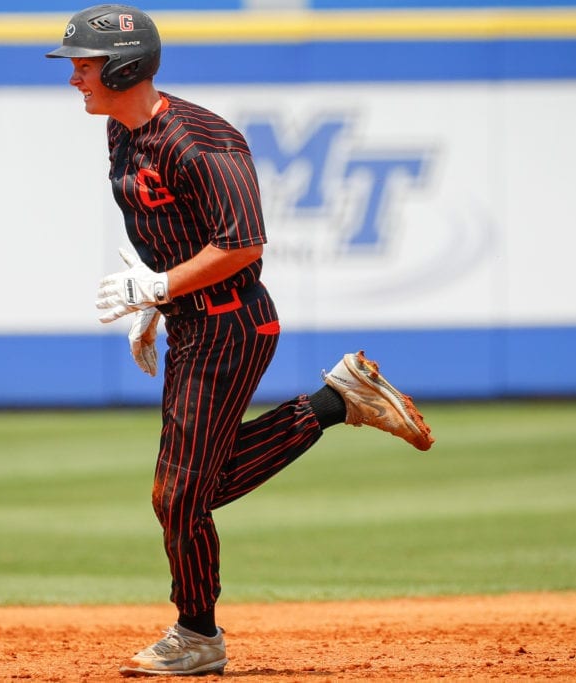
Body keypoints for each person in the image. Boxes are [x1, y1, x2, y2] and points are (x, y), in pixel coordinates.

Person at [47, 5, 434, 676]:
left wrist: (159, 288)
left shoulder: (200, 142)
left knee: (178, 495)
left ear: (124, 66)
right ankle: (336, 400)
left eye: (84, 65)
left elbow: (242, 242)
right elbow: (161, 224)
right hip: (195, 320)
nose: (75, 77)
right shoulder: (121, 131)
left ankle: (198, 634)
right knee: (191, 488)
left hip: (231, 322)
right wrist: (154, 302)